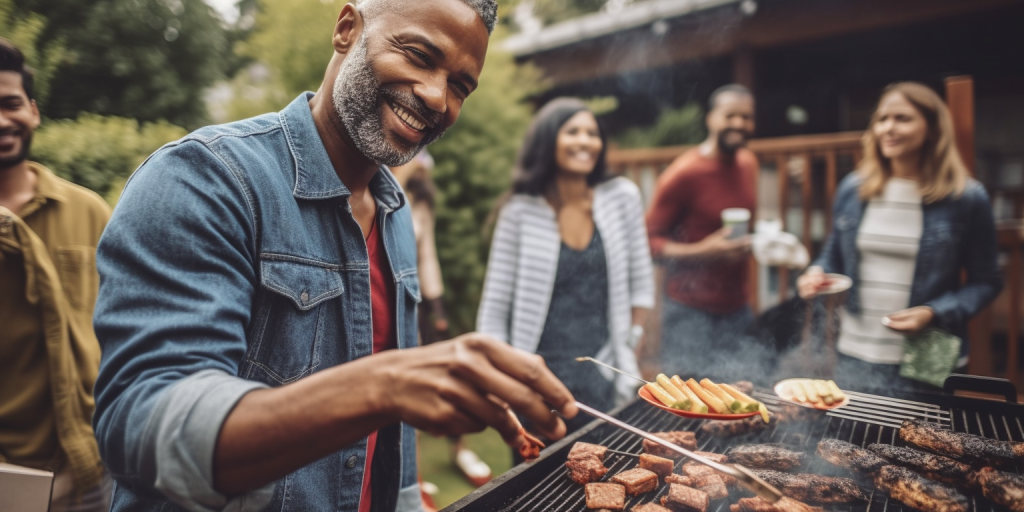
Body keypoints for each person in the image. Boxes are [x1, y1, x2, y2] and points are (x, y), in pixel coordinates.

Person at [90, 2, 577, 511]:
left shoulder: (395, 212)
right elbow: (139, 429)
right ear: (347, 30)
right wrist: (381, 386)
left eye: (460, 86)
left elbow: (388, 449)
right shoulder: (205, 179)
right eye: (417, 55)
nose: (436, 96)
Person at [797, 81, 1002, 390]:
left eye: (902, 118)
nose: (888, 128)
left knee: (924, 437)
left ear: (932, 129)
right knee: (854, 436)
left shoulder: (967, 197)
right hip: (856, 350)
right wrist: (816, 271)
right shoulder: (853, 189)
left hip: (929, 351)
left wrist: (934, 312)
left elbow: (986, 282)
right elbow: (834, 253)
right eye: (882, 119)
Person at [477, 97, 654, 442]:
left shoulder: (622, 197)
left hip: (601, 371)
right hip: (535, 376)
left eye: (592, 133)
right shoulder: (519, 210)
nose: (585, 141)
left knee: (605, 472)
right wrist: (503, 380)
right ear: (548, 140)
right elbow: (495, 308)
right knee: (538, 483)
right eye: (573, 131)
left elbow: (641, 283)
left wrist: (628, 346)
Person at [0, 38, 112, 511]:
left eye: (10, 104)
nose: (2, 121)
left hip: (86, 466)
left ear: (34, 110)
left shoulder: (87, 210)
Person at [645, 84, 759, 379]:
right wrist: (703, 251)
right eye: (730, 115)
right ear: (710, 118)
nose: (738, 124)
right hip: (688, 313)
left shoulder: (749, 163)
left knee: (738, 401)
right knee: (688, 404)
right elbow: (648, 241)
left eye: (746, 117)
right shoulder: (683, 173)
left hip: (737, 307)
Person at [391, 151, 490, 488]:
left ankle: (459, 449)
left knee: (448, 379)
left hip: (417, 304)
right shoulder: (378, 191)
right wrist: (400, 174)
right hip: (385, 305)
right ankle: (411, 476)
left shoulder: (421, 201)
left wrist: (439, 308)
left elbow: (427, 255)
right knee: (405, 388)